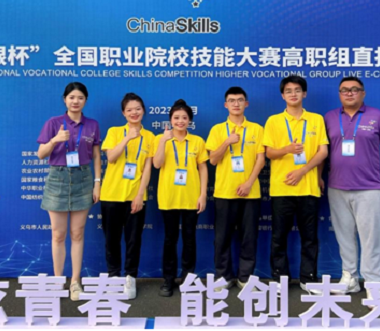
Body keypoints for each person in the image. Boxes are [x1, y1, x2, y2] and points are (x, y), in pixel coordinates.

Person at [324, 77, 380, 304]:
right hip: (337, 187)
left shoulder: (378, 116)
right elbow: (321, 151)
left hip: (369, 188)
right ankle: (350, 279)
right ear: (339, 94)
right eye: (344, 90)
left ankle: (373, 283)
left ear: (363, 93)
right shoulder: (329, 117)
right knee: (344, 237)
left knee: (371, 239)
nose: (349, 93)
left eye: (354, 89)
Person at [263, 76, 329, 294]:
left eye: (297, 90)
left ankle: (308, 278)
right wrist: (287, 150)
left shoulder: (316, 119)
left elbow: (323, 152)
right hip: (281, 188)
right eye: (289, 91)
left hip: (308, 187)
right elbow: (269, 153)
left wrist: (302, 171)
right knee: (279, 236)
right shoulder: (273, 121)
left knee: (309, 237)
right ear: (283, 96)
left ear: (304, 94)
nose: (293, 94)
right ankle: (279, 278)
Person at [37, 82, 101, 301]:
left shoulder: (92, 125)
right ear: (65, 99)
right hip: (58, 178)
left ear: (85, 100)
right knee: (58, 234)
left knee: (78, 233)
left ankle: (75, 281)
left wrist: (97, 182)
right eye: (72, 97)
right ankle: (58, 281)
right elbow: (40, 154)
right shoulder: (53, 123)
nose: (76, 101)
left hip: (83, 178)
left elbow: (96, 156)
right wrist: (55, 139)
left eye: (80, 97)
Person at [206, 87, 265, 289]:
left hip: (251, 192)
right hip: (224, 192)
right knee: (222, 238)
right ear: (226, 105)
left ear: (246, 104)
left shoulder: (256, 129)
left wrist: (249, 183)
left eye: (240, 100)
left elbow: (261, 159)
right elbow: (213, 160)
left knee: (249, 237)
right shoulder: (217, 130)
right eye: (232, 100)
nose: (236, 104)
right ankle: (223, 276)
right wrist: (227, 142)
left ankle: (245, 277)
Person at [100, 93, 155, 299]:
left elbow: (147, 169)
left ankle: (130, 277)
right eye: (129, 110)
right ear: (123, 113)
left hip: (135, 197)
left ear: (143, 111)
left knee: (133, 240)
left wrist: (140, 195)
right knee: (111, 240)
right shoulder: (114, 132)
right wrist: (127, 138)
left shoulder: (150, 137)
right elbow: (111, 158)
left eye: (138, 109)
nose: (134, 113)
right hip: (111, 195)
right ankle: (114, 276)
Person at [152, 99, 208, 297]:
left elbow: (203, 168)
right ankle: (168, 279)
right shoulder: (161, 139)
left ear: (190, 120)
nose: (180, 121)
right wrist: (163, 141)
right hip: (168, 197)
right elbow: (157, 164)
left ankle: (188, 279)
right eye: (176, 118)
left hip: (191, 197)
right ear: (170, 120)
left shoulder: (197, 141)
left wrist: (203, 194)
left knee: (189, 239)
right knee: (170, 239)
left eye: (184, 118)